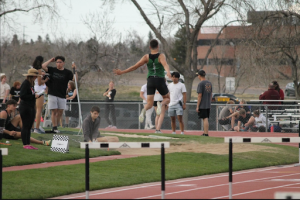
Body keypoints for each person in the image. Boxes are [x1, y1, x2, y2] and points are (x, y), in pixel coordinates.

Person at [113, 39, 171, 124]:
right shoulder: (161, 56)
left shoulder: (146, 57)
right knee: (167, 98)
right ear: (158, 46)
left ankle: (144, 110)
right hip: (159, 79)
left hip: (150, 81)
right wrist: (168, 72)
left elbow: (135, 66)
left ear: (150, 47)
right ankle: (161, 104)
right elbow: (165, 64)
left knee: (150, 104)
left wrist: (122, 72)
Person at [41, 56, 77, 133]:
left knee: (60, 112)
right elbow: (43, 66)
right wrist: (50, 60)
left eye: (60, 62)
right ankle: (54, 127)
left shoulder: (67, 72)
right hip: (52, 93)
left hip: (62, 94)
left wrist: (75, 70)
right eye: (57, 62)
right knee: (54, 111)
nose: (58, 64)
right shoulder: (52, 70)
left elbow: (74, 79)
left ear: (63, 63)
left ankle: (56, 126)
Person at [19, 68, 45, 149]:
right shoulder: (25, 83)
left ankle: (28, 143)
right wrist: (34, 96)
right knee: (25, 126)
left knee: (29, 126)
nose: (36, 77)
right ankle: (25, 144)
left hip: (30, 106)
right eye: (36, 76)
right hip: (25, 107)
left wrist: (35, 96)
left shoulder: (31, 84)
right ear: (33, 76)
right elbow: (22, 96)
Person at [32, 56, 50, 134]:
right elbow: (39, 82)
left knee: (33, 110)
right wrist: (45, 80)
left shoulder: (32, 69)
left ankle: (32, 127)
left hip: (34, 89)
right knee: (39, 110)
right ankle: (37, 128)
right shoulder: (38, 70)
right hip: (39, 91)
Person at [196, 69, 212, 137]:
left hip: (203, 104)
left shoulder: (201, 83)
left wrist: (197, 106)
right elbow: (211, 94)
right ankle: (205, 132)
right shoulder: (209, 83)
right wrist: (209, 103)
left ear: (199, 75)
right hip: (208, 103)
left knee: (205, 118)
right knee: (205, 118)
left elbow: (200, 95)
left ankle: (206, 133)